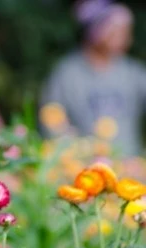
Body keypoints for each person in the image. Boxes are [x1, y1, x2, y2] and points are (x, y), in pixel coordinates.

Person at [41, 0, 146, 156]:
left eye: (125, 31)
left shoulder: (134, 73)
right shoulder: (68, 74)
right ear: (93, 29)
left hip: (130, 169)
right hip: (84, 172)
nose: (122, 36)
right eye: (114, 29)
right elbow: (51, 120)